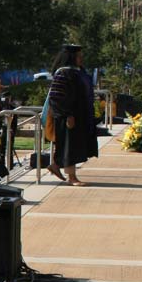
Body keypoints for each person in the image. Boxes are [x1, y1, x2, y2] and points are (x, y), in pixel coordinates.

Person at [44, 43, 98, 186]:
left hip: (79, 115)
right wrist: (67, 114)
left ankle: (55, 165)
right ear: (71, 57)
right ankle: (71, 177)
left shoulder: (78, 71)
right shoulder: (63, 73)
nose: (81, 59)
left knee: (73, 145)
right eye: (79, 56)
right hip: (67, 116)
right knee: (69, 146)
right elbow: (56, 97)